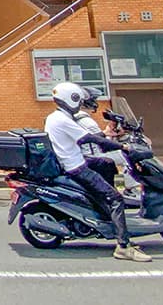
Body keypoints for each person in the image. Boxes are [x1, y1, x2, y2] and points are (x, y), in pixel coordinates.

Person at [45, 82, 151, 262]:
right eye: (79, 100)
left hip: (75, 161)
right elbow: (89, 139)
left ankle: (106, 213)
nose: (81, 104)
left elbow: (89, 138)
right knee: (116, 199)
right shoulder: (63, 120)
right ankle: (123, 247)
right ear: (72, 99)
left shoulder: (56, 117)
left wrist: (108, 136)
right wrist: (123, 147)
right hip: (76, 168)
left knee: (107, 163)